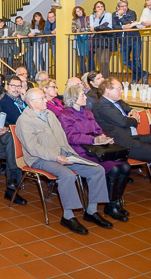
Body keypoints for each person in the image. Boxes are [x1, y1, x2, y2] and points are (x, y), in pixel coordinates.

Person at [16, 89, 112, 235]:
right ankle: (68, 216)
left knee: (97, 170)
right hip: (39, 159)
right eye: (42, 98)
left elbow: (62, 138)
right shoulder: (24, 121)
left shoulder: (50, 115)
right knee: (67, 175)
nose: (45, 101)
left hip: (62, 153)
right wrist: (56, 157)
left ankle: (91, 211)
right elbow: (33, 148)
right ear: (31, 102)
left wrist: (68, 154)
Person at [58, 85, 131, 222]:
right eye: (82, 95)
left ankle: (113, 203)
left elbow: (98, 129)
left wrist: (104, 137)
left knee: (125, 167)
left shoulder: (87, 113)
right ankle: (107, 206)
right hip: (81, 151)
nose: (86, 97)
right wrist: (93, 139)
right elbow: (71, 137)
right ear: (73, 98)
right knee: (114, 169)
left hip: (97, 149)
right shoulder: (65, 115)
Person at [93, 78, 151, 162]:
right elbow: (123, 122)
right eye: (119, 89)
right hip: (124, 143)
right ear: (107, 90)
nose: (122, 91)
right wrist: (135, 119)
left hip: (133, 136)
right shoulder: (102, 105)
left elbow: (127, 106)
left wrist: (133, 111)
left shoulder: (116, 101)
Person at [112, 0, 147, 83]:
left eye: (126, 6)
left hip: (135, 39)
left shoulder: (132, 13)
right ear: (117, 7)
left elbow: (130, 24)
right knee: (124, 61)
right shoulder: (114, 15)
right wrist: (123, 27)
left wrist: (120, 17)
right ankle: (143, 73)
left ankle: (135, 79)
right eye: (122, 6)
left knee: (136, 60)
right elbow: (114, 26)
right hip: (123, 41)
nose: (124, 8)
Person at [89, 1, 114, 78]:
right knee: (100, 62)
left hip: (107, 40)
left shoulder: (108, 14)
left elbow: (109, 27)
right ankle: (104, 78)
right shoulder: (92, 17)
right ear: (95, 9)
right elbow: (92, 29)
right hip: (97, 41)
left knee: (105, 61)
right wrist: (97, 18)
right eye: (98, 7)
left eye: (102, 6)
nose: (100, 8)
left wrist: (97, 28)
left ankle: (106, 79)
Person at [71, 6, 91, 76]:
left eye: (80, 10)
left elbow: (89, 28)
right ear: (75, 13)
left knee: (89, 57)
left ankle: (90, 74)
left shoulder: (87, 18)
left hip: (88, 40)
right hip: (79, 41)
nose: (79, 12)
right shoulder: (74, 20)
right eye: (77, 11)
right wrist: (83, 29)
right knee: (81, 59)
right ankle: (84, 74)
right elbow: (73, 30)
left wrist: (82, 29)